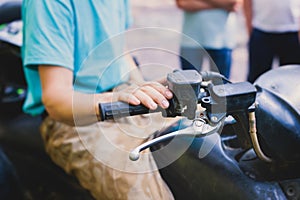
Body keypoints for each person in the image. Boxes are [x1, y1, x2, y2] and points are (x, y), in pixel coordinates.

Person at [22, 0, 177, 199]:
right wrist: (114, 99)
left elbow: (119, 50)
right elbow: (56, 100)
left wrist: (143, 87)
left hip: (122, 100)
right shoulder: (48, 4)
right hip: (76, 120)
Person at [176, 0, 243, 79]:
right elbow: (183, 3)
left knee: (222, 87)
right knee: (188, 86)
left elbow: (234, 3)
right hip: (191, 39)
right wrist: (222, 5)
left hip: (222, 40)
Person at [244, 0, 300, 83]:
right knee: (256, 81)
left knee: (291, 82)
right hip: (261, 30)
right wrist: (250, 28)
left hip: (292, 31)